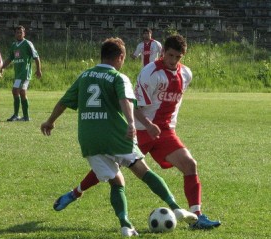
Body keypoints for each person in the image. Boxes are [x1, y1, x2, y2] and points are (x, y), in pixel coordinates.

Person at [54, 35, 222, 230]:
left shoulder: (186, 74)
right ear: (163, 52)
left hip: (165, 132)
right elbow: (133, 105)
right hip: (142, 131)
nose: (173, 60)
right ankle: (75, 193)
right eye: (170, 55)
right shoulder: (149, 73)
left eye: (178, 56)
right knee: (110, 169)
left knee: (190, 164)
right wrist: (145, 125)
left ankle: (197, 216)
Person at [0, 25, 42, 121]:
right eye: (17, 32)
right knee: (22, 93)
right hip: (18, 73)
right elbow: (10, 58)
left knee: (15, 90)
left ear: (24, 33)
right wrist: (2, 67)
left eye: (21, 32)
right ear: (15, 34)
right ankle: (26, 117)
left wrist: (39, 69)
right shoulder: (14, 45)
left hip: (25, 73)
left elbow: (36, 56)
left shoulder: (27, 43)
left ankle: (15, 115)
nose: (19, 34)